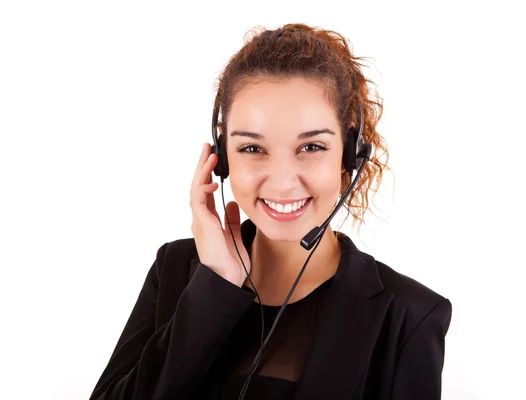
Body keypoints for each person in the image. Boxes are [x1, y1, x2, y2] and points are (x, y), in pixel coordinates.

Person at [89, 23, 452, 400]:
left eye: (311, 147)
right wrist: (216, 286)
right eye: (252, 148)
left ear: (349, 155)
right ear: (222, 156)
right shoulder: (177, 270)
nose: (281, 183)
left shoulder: (410, 316)